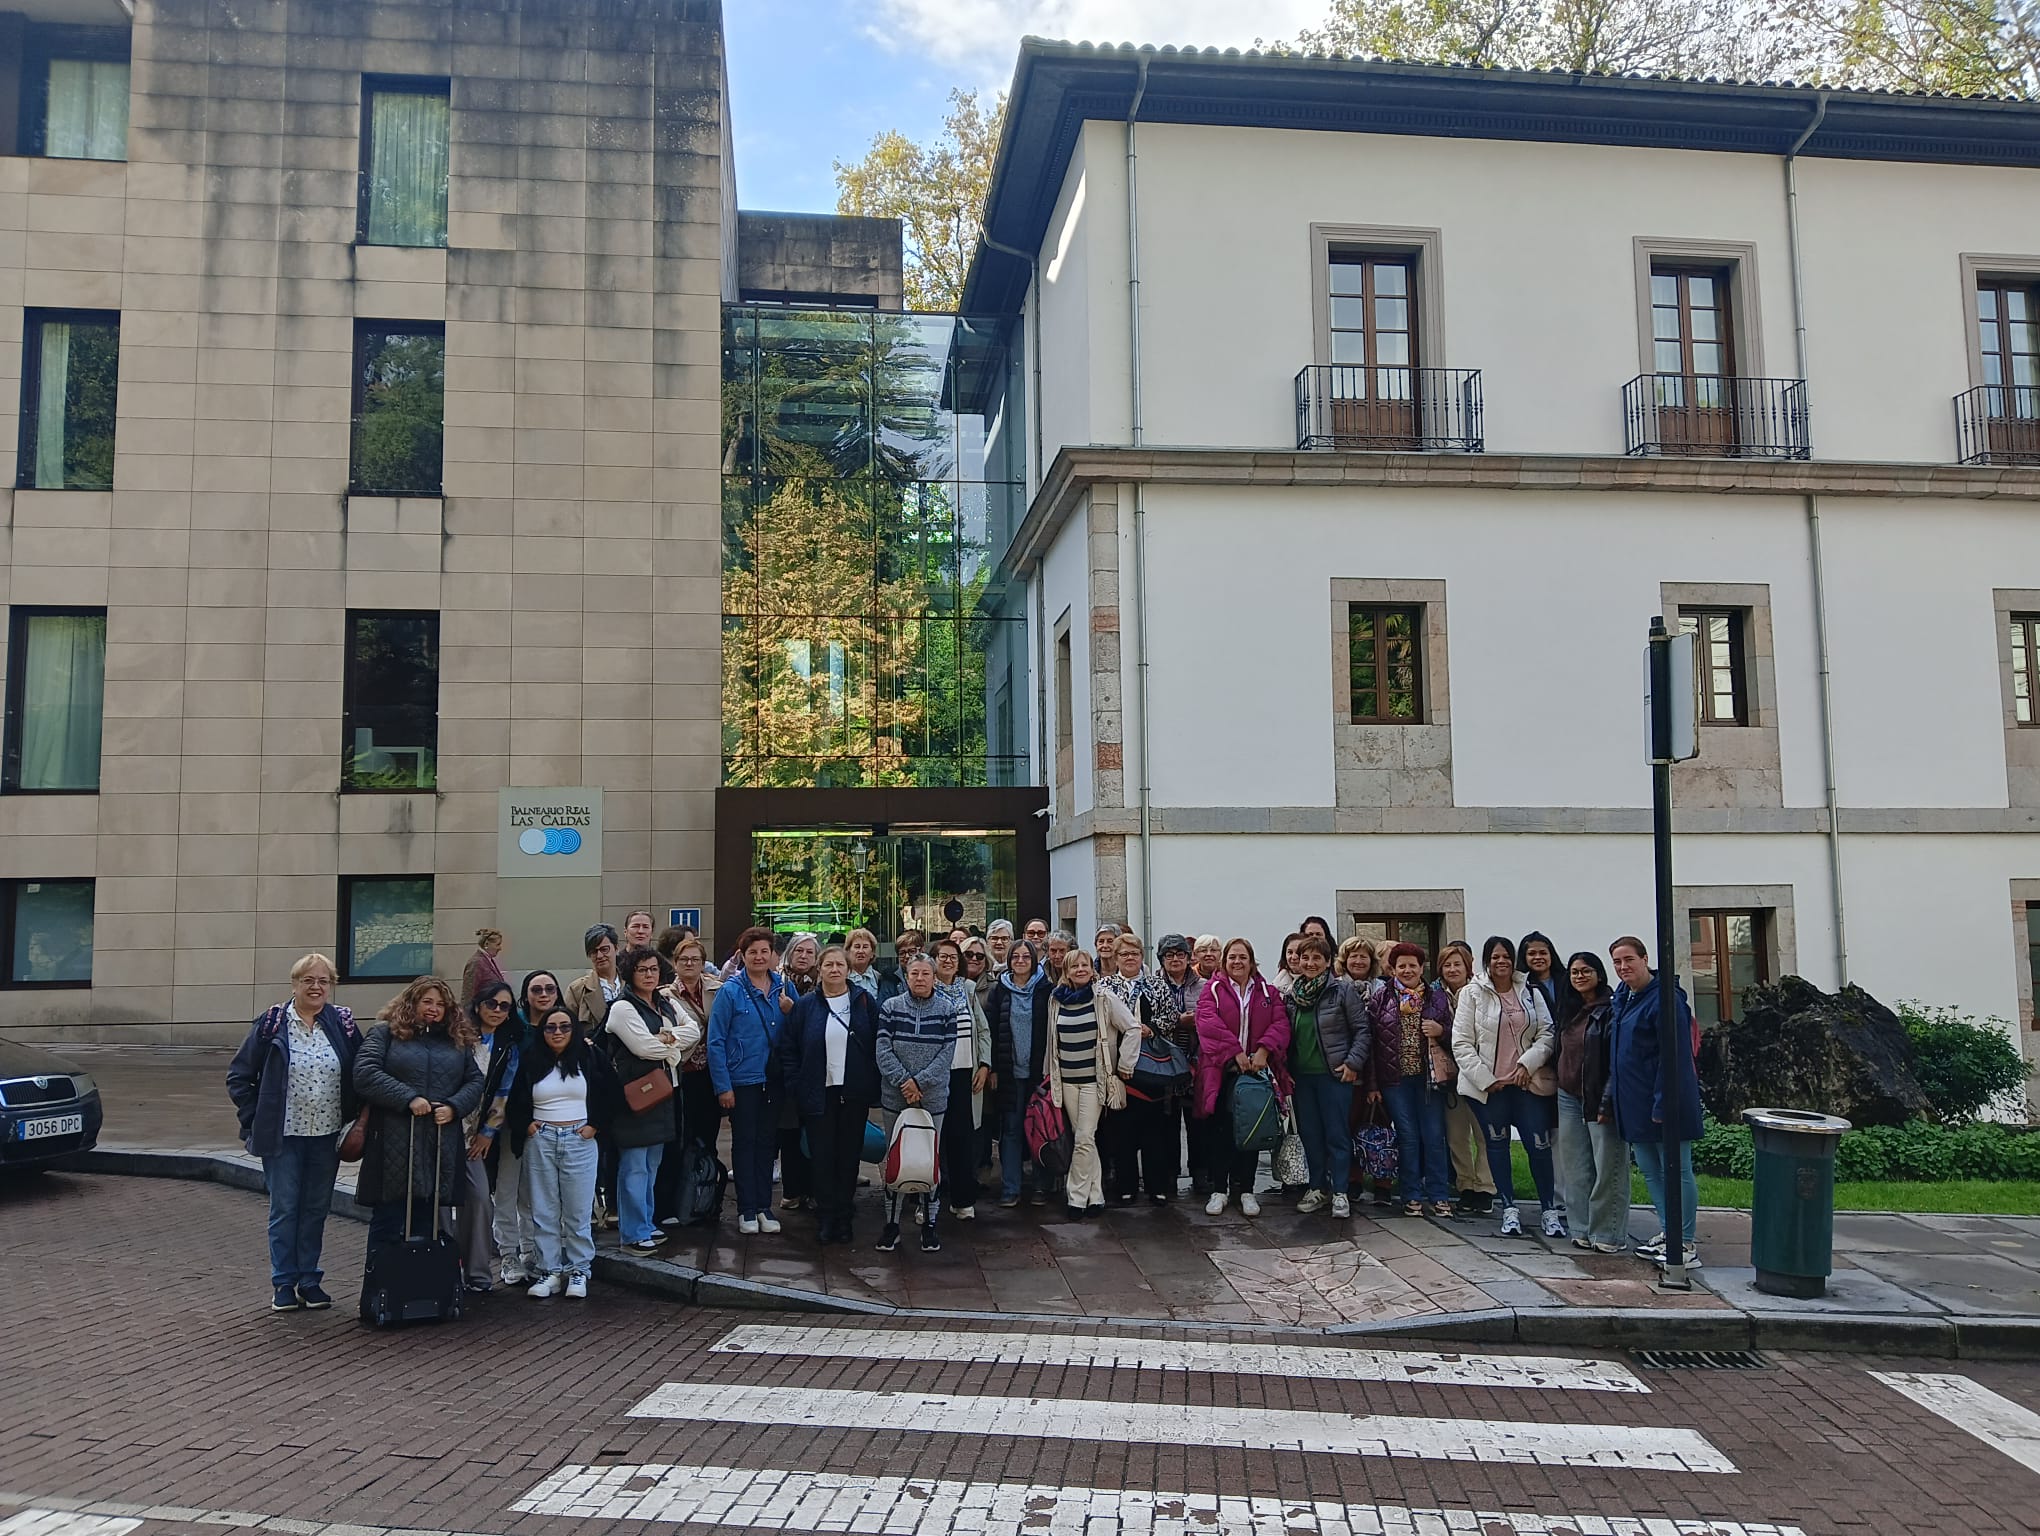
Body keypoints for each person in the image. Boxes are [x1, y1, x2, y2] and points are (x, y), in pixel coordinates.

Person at [227, 953, 362, 1312]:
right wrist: (255, 1117)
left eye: (323, 981)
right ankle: (284, 1283)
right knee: (285, 1208)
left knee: (316, 1208)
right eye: (308, 980)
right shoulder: (272, 1023)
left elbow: (362, 1071)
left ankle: (310, 1280)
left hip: (327, 1136)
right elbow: (239, 1077)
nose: (316, 987)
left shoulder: (342, 1024)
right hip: (283, 1136)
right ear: (295, 984)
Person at [350, 978, 485, 1276]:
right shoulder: (384, 1033)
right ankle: (382, 1289)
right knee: (388, 1220)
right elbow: (365, 1073)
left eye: (440, 1004)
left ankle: (419, 1290)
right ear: (411, 1002)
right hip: (393, 1144)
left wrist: (454, 1106)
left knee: (428, 1223)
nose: (433, 1009)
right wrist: (408, 1098)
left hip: (438, 1145)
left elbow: (475, 1081)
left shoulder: (455, 1041)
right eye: (427, 1001)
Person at [507, 1005, 622, 1298]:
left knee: (578, 1211)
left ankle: (579, 1270)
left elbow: (612, 1093)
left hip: (579, 1139)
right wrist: (527, 1126)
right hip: (541, 1139)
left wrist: (595, 1125)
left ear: (574, 1030)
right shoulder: (531, 1059)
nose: (557, 1032)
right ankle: (549, 1271)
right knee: (543, 1210)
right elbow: (515, 1098)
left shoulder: (590, 1056)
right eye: (550, 1027)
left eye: (564, 1026)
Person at [1453, 936, 1563, 1239]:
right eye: (1495, 957)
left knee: (1538, 1145)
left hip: (1526, 1084)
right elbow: (1461, 1043)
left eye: (1506, 957)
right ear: (1487, 961)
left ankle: (1548, 1209)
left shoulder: (1530, 989)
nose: (1501, 962)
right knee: (1497, 1144)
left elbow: (1547, 1033)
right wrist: (1487, 1080)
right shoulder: (1472, 993)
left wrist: (1527, 1064)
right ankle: (1509, 1207)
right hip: (1492, 1087)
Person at [1609, 934, 1703, 1268]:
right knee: (1651, 1171)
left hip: (1664, 1104)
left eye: (1629, 960)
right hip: (1635, 1103)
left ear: (1645, 959)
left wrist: (1664, 1103)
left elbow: (1673, 1056)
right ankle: (1668, 1230)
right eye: (1617, 962)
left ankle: (1685, 1242)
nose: (1623, 967)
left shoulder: (1665, 1000)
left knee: (1677, 1171)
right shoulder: (1625, 998)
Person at [780, 943, 879, 1245]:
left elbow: (878, 1043)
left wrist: (870, 1081)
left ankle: (844, 1216)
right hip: (817, 1092)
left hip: (853, 1093)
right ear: (819, 969)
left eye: (840, 965)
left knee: (848, 1157)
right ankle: (825, 1216)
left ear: (848, 970)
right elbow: (789, 1048)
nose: (834, 969)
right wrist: (796, 1083)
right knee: (821, 1157)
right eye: (828, 965)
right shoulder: (806, 1006)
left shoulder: (864, 1002)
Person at [605, 945, 694, 1252]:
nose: (649, 975)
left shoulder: (666, 1001)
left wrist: (667, 1040)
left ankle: (645, 1222)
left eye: (654, 969)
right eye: (642, 969)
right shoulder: (622, 1007)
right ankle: (633, 1232)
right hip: (635, 1097)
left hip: (664, 1093)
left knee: (652, 1163)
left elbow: (694, 1030)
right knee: (634, 1165)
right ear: (630, 973)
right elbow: (643, 1048)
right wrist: (674, 1048)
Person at [1193, 938, 1291, 1217]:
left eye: (1242, 957)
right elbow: (1207, 1023)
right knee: (1220, 1131)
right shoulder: (1212, 990)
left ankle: (1246, 1189)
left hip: (1255, 1073)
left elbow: (1280, 1024)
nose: (1237, 962)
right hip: (1220, 1071)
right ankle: (1219, 1190)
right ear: (1225, 961)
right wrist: (1235, 1052)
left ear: (1251, 961)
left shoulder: (1268, 992)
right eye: (1232, 957)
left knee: (1251, 1130)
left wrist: (1263, 1051)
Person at [707, 925, 789, 1234]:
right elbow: (716, 1041)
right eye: (752, 952)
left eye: (764, 951)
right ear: (742, 955)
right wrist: (723, 1086)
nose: (759, 957)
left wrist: (791, 1010)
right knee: (745, 1143)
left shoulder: (783, 988)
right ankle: (747, 1209)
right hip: (742, 1080)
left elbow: (798, 1029)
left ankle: (764, 1206)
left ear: (773, 955)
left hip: (774, 1079)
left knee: (767, 1144)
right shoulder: (730, 991)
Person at [1047, 948, 1140, 1217]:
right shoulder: (1056, 999)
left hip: (1094, 1080)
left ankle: (1075, 1198)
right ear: (1066, 971)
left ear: (1092, 969)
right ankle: (1096, 1195)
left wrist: (1125, 1064)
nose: (1080, 970)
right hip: (1066, 1080)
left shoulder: (1103, 997)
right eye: (1074, 966)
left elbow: (1132, 1028)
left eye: (1084, 965)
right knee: (1082, 1138)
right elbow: (1051, 1040)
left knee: (1084, 1137)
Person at [1366, 942, 1456, 1216]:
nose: (1407, 970)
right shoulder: (1381, 998)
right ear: (1393, 969)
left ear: (1422, 968)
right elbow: (1371, 1044)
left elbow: (1456, 1035)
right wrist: (1372, 1084)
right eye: (1401, 966)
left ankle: (1439, 1195)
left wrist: (1441, 1031)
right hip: (1395, 1080)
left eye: (1412, 966)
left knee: (1434, 1136)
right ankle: (1411, 1194)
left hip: (1429, 1079)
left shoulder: (1436, 998)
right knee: (1407, 1136)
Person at [876, 954, 958, 1252]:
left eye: (925, 974)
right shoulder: (890, 1007)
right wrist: (904, 1081)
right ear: (906, 976)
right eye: (914, 974)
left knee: (929, 1162)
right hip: (895, 1098)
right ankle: (892, 1224)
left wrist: (920, 1083)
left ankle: (929, 1225)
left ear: (934, 977)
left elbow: (947, 1053)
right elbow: (882, 1049)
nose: (920, 978)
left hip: (932, 1098)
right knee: (895, 1159)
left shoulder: (947, 1010)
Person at [1289, 934, 1369, 1218]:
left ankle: (1340, 1192)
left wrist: (1352, 1063)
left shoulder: (1342, 991)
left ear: (1327, 962)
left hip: (1334, 1076)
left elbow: (1362, 1030)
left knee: (1337, 1135)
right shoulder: (1293, 995)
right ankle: (1317, 1187)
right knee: (1311, 1134)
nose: (1310, 963)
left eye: (1316, 958)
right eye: (1305, 958)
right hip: (1303, 1078)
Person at [1556, 950, 1628, 1254]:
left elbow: (1616, 1060)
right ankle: (1581, 1228)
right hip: (1568, 1096)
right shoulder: (1570, 1009)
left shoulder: (1612, 1009)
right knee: (1575, 1167)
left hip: (1599, 1096)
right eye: (1574, 972)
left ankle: (1608, 1233)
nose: (1580, 976)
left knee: (1608, 1166)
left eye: (1586, 970)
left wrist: (1607, 1102)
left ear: (1599, 974)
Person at [497, 970, 562, 1280]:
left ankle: (530, 1252)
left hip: (550, 1123)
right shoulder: (514, 1029)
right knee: (507, 1189)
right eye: (537, 989)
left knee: (535, 1193)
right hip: (513, 1122)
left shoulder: (563, 1027)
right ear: (526, 995)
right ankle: (508, 1255)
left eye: (550, 988)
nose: (543, 994)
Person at [456, 980, 521, 1290]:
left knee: (480, 1198)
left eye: (504, 1006)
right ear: (478, 1005)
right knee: (441, 1205)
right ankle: (443, 1270)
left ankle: (478, 1274)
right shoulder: (458, 1037)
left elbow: (503, 1094)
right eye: (491, 1003)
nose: (497, 1010)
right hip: (444, 1128)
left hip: (474, 1135)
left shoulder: (508, 1047)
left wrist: (487, 1133)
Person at [1101, 930, 1172, 1203]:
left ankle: (1156, 1186)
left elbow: (1171, 1016)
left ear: (1142, 956)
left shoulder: (1156, 984)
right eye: (1124, 954)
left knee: (1155, 1127)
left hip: (1152, 1064)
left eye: (1134, 953)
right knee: (1122, 1128)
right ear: (1115, 958)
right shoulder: (1106, 986)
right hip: (1118, 1063)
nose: (1129, 958)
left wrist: (1150, 1029)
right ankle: (1126, 1185)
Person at [655, 931, 719, 1224]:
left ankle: (706, 1202)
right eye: (683, 959)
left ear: (703, 963)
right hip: (682, 1074)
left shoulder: (719, 990)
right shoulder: (664, 995)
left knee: (709, 1139)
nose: (689, 963)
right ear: (674, 962)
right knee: (679, 1139)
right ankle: (675, 1204)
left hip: (712, 1074)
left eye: (695, 959)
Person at [930, 936, 992, 1220]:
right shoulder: (925, 987)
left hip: (964, 1073)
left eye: (953, 957)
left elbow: (982, 1030)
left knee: (961, 1138)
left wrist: (984, 1065)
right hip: (933, 1075)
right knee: (931, 1139)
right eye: (942, 956)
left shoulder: (967, 989)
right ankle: (926, 1200)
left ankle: (962, 1199)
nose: (947, 961)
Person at [987, 937, 1051, 1207]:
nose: (1021, 961)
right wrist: (992, 1068)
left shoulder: (1046, 990)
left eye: (1026, 956)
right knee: (1011, 1130)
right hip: (1009, 1073)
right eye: (1016, 957)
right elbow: (990, 1031)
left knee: (1040, 1129)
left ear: (1034, 960)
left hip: (1038, 1074)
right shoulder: (999, 991)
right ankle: (1011, 1187)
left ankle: (1040, 1185)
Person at [1435, 939, 1496, 1214]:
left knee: (1483, 1133)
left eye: (1457, 964)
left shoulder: (1482, 991)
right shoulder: (1435, 996)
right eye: (1447, 965)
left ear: (1468, 966)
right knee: (1457, 1134)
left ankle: (1485, 1187)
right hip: (1450, 1075)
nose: (1452, 969)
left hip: (1479, 1072)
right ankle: (1466, 1185)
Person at [1153, 934, 1205, 1197]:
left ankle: (1200, 1173)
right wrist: (1178, 1021)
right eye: (1169, 955)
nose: (1175, 959)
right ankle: (1169, 1175)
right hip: (1164, 1065)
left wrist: (1196, 1021)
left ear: (1188, 957)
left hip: (1195, 1060)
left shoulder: (1203, 986)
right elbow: (1150, 1020)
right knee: (1167, 1123)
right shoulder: (1152, 985)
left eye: (1180, 954)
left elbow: (1211, 1017)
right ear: (1161, 959)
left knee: (1198, 1122)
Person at [566, 924, 624, 1033]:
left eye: (604, 949)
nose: (599, 956)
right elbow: (568, 1030)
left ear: (616, 948)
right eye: (594, 952)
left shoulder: (632, 984)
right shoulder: (577, 990)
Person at [461, 928, 507, 1011]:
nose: (500, 948)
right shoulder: (476, 963)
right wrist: (467, 1016)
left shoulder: (488, 961)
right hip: (481, 1012)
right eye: (497, 944)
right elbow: (468, 993)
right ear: (486, 944)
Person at [845, 928, 884, 1000]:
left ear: (872, 953)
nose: (861, 951)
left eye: (865, 947)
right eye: (857, 947)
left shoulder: (879, 978)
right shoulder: (842, 977)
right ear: (848, 951)